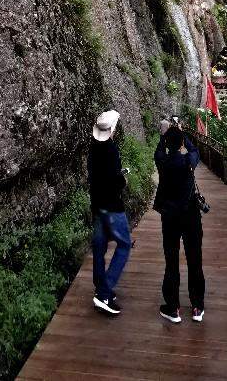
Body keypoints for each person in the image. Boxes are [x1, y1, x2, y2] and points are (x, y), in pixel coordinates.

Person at [153, 124, 205, 324]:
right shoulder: (188, 161)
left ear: (167, 143)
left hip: (170, 216)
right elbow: (194, 150)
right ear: (182, 143)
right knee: (195, 259)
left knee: (171, 260)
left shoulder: (163, 162)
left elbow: (158, 152)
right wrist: (183, 135)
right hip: (191, 215)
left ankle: (172, 307)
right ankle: (197, 306)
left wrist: (163, 136)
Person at [87, 109, 132, 315]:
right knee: (124, 245)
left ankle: (100, 287)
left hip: (96, 205)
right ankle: (104, 293)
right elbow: (114, 182)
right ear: (113, 129)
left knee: (99, 247)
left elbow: (96, 177)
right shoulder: (111, 149)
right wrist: (123, 179)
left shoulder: (93, 148)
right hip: (111, 206)